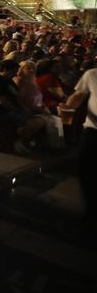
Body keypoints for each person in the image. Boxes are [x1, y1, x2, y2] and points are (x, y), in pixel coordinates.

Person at [57, 67, 97, 238]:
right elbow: (79, 95)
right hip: (93, 131)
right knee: (86, 172)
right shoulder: (92, 74)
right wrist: (68, 105)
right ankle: (91, 214)